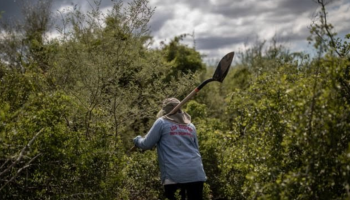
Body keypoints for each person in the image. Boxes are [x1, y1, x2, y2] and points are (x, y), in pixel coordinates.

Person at [133, 98, 207, 200]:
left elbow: (146, 144)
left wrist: (137, 140)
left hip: (174, 175)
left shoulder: (161, 122)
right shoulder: (191, 126)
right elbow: (196, 148)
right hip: (196, 173)